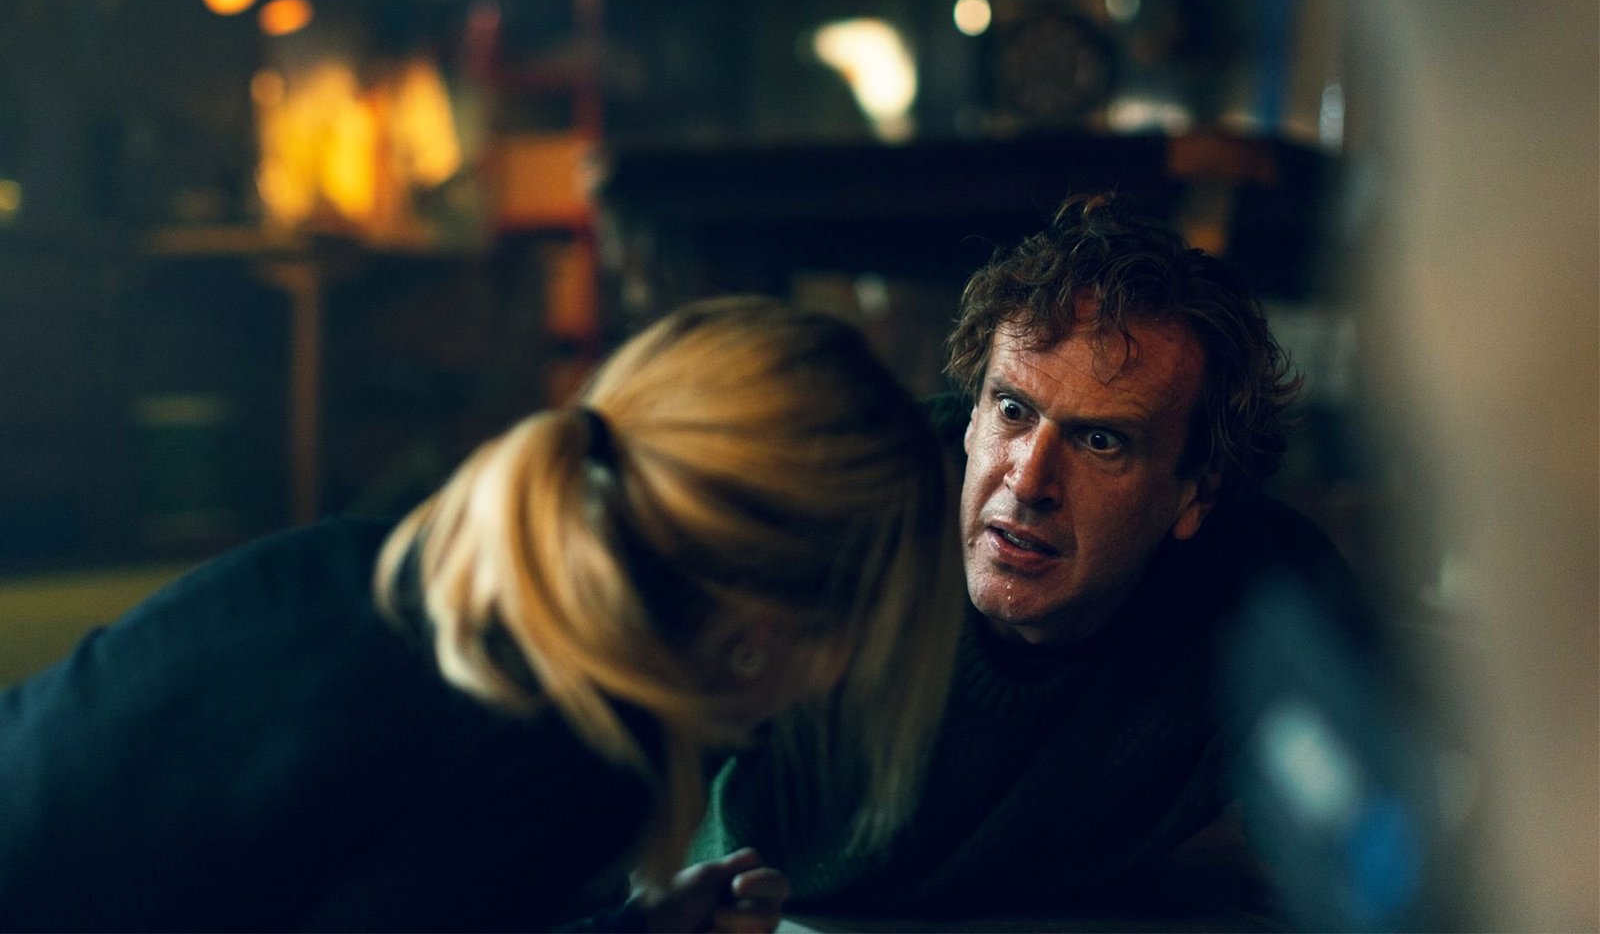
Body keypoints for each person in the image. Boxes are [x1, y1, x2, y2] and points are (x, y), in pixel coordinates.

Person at [0, 296, 964, 932]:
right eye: (876, 627)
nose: (846, 674)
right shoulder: (565, 751)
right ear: (765, 629)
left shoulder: (395, 572)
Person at [694, 194, 1371, 920]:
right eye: (1013, 410)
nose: (1027, 482)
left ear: (1195, 495)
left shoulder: (1268, 594)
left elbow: (1391, 851)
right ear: (972, 417)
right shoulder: (851, 503)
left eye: (1100, 441)